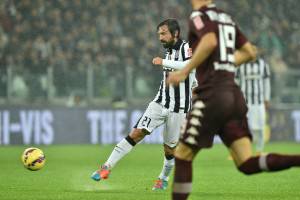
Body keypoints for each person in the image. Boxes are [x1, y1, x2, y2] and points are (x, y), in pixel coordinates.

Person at [167, 1, 300, 200]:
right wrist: (222, 64)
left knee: (183, 155)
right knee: (246, 163)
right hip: (234, 96)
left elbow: (210, 40)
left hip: (213, 96)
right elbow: (250, 52)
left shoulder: (198, 16)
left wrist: (184, 71)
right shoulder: (226, 18)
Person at [91, 19, 197, 191]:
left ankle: (163, 178)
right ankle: (106, 167)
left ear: (175, 33)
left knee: (170, 150)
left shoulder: (185, 48)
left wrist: (163, 62)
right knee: (136, 133)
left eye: (163, 33)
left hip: (179, 108)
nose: (160, 38)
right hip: (159, 101)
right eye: (159, 35)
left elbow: (189, 66)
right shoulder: (169, 51)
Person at [236, 57, 271, 154]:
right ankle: (240, 151)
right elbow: (236, 82)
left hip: (259, 102)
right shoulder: (240, 65)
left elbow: (266, 82)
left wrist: (267, 98)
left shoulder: (263, 65)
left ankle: (259, 150)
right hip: (245, 102)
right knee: (243, 127)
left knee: (260, 127)